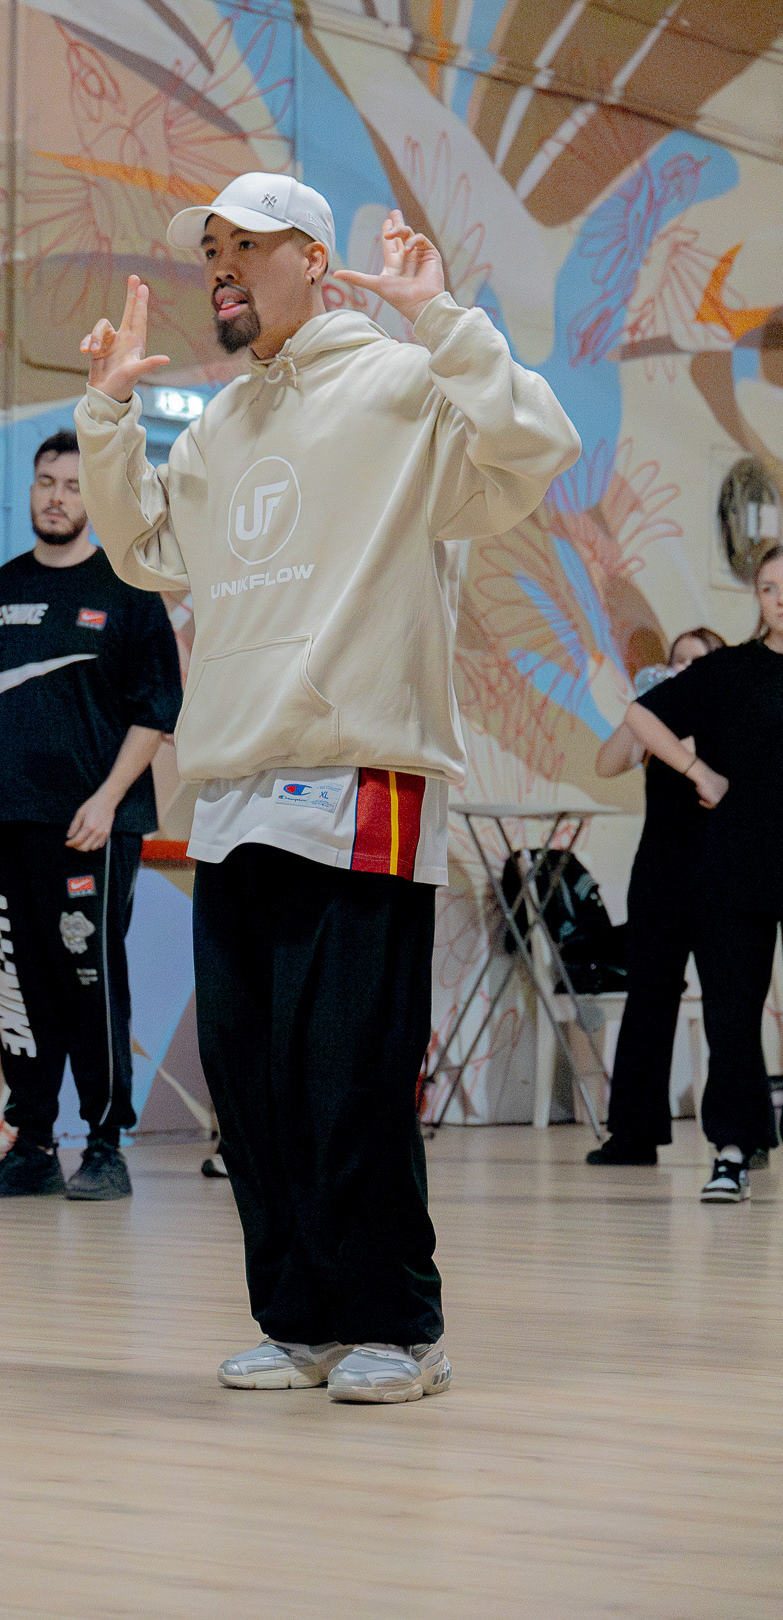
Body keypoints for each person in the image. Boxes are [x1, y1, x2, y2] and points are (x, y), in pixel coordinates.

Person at [75, 172, 580, 1401]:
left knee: (348, 1073)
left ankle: (400, 1328)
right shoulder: (219, 429)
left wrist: (440, 316)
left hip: (362, 777)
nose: (221, 267)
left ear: (311, 257)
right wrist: (107, 412)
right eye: (211, 249)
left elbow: (536, 444)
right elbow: (143, 549)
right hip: (235, 785)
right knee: (252, 1084)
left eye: (247, 245)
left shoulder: (403, 383)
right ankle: (300, 1319)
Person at [0, 430, 182, 1201]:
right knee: (17, 982)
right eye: (46, 481)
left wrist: (107, 800)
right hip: (0, 823)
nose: (56, 496)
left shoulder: (128, 589)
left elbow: (156, 712)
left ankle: (105, 1146)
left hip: (91, 826)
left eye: (73, 485)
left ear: (94, 498)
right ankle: (33, 1145)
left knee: (89, 981)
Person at [616, 545, 783, 1202]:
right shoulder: (730, 671)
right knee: (733, 1015)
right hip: (738, 868)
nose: (779, 598)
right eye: (768, 587)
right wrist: (697, 771)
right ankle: (732, 1151)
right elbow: (641, 715)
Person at [587, 627, 725, 1167]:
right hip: (660, 875)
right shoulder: (656, 721)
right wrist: (642, 710)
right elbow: (606, 763)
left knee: (729, 1004)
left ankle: (744, 1134)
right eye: (677, 662)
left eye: (696, 663)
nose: (683, 671)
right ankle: (633, 1134)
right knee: (648, 998)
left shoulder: (725, 722)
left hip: (718, 875)